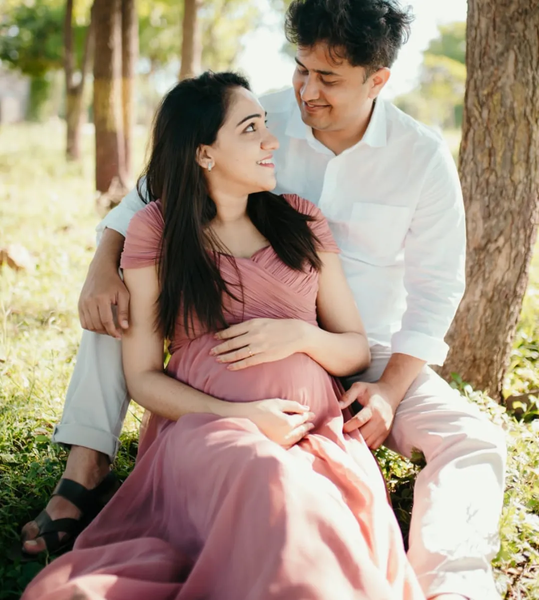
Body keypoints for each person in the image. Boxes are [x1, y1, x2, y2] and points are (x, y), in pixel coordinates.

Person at [21, 1, 506, 599]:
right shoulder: (259, 113)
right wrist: (102, 265)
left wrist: (387, 388)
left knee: (472, 439)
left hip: (367, 354)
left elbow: (437, 292)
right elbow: (150, 198)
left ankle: (453, 589)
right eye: (302, 69)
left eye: (329, 79)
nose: (307, 92)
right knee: (117, 304)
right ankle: (84, 464)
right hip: (225, 343)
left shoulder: (420, 157)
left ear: (377, 80)